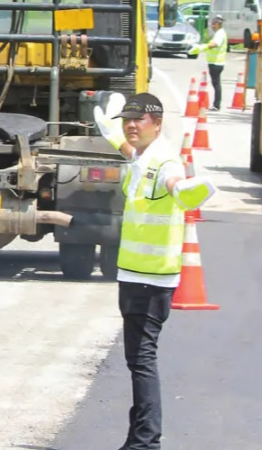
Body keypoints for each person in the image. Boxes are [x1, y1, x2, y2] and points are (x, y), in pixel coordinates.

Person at [79, 92, 216, 450]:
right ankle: (138, 438)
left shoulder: (165, 161)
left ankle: (146, 441)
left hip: (151, 279)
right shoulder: (144, 155)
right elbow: (131, 153)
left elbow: (173, 182)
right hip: (135, 275)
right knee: (136, 359)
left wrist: (185, 190)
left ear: (157, 123)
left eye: (139, 120)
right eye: (127, 119)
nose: (131, 125)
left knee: (141, 360)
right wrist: (113, 136)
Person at [189, 15, 227, 111]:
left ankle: (216, 105)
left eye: (214, 24)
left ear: (218, 24)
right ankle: (216, 104)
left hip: (216, 63)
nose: (212, 26)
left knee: (216, 84)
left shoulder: (220, 34)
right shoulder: (220, 33)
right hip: (216, 62)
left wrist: (203, 47)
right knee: (216, 83)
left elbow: (215, 44)